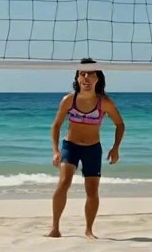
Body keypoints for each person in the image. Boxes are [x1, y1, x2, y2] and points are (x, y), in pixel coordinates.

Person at [48, 58, 125, 239]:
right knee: (64, 183)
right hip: (70, 146)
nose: (87, 77)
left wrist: (115, 148)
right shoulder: (69, 100)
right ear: (78, 79)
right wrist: (56, 150)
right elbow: (56, 125)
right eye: (83, 73)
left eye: (91, 73)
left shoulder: (104, 102)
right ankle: (55, 228)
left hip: (92, 148)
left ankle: (89, 230)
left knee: (92, 191)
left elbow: (120, 125)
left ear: (98, 78)